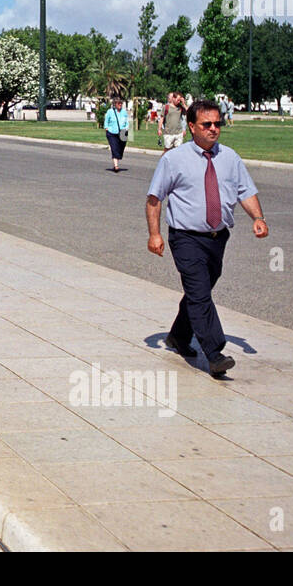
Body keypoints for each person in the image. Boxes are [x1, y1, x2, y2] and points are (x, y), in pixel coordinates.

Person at [146, 99, 268, 377]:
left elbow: (245, 192)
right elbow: (154, 199)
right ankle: (214, 354)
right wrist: (154, 235)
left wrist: (258, 218)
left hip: (218, 237)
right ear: (192, 127)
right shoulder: (173, 159)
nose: (214, 129)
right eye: (207, 124)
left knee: (199, 291)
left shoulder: (230, 158)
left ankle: (178, 335)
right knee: (200, 292)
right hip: (186, 238)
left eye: (217, 124)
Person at [104, 98, 130, 172]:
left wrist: (127, 128)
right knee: (114, 148)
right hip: (112, 132)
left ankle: (117, 159)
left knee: (121, 149)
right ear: (115, 104)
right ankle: (116, 166)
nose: (120, 105)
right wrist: (106, 128)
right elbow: (106, 120)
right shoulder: (110, 111)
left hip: (123, 132)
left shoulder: (124, 112)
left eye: (121, 103)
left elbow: (127, 121)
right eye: (118, 103)